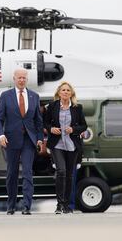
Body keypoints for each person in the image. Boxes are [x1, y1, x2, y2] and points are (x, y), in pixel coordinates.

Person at [0, 68, 44, 215]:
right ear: (14, 79)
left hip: (29, 140)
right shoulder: (5, 96)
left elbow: (38, 121)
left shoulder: (34, 96)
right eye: (19, 78)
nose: (22, 80)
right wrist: (1, 135)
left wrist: (40, 138)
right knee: (12, 173)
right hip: (11, 140)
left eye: (24, 78)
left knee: (28, 172)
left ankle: (27, 205)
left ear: (27, 79)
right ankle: (11, 205)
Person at [44, 81, 87, 214]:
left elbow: (83, 126)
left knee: (69, 175)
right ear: (58, 92)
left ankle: (67, 205)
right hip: (57, 144)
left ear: (71, 93)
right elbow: (44, 122)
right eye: (63, 90)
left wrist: (73, 129)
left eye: (68, 90)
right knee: (61, 171)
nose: (65, 92)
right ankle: (59, 204)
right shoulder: (52, 106)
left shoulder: (77, 107)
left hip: (72, 144)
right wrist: (51, 129)